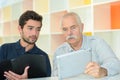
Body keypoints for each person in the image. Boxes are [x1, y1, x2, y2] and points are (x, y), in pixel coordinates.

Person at [52, 12, 120, 78]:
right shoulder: (59, 52)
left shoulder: (97, 43)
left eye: (73, 28)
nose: (69, 33)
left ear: (82, 27)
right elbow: (55, 77)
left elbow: (116, 64)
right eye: (65, 29)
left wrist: (103, 70)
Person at [0, 10, 51, 79]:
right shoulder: (5, 49)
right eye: (30, 28)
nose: (34, 33)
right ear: (20, 29)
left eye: (38, 29)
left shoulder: (43, 57)